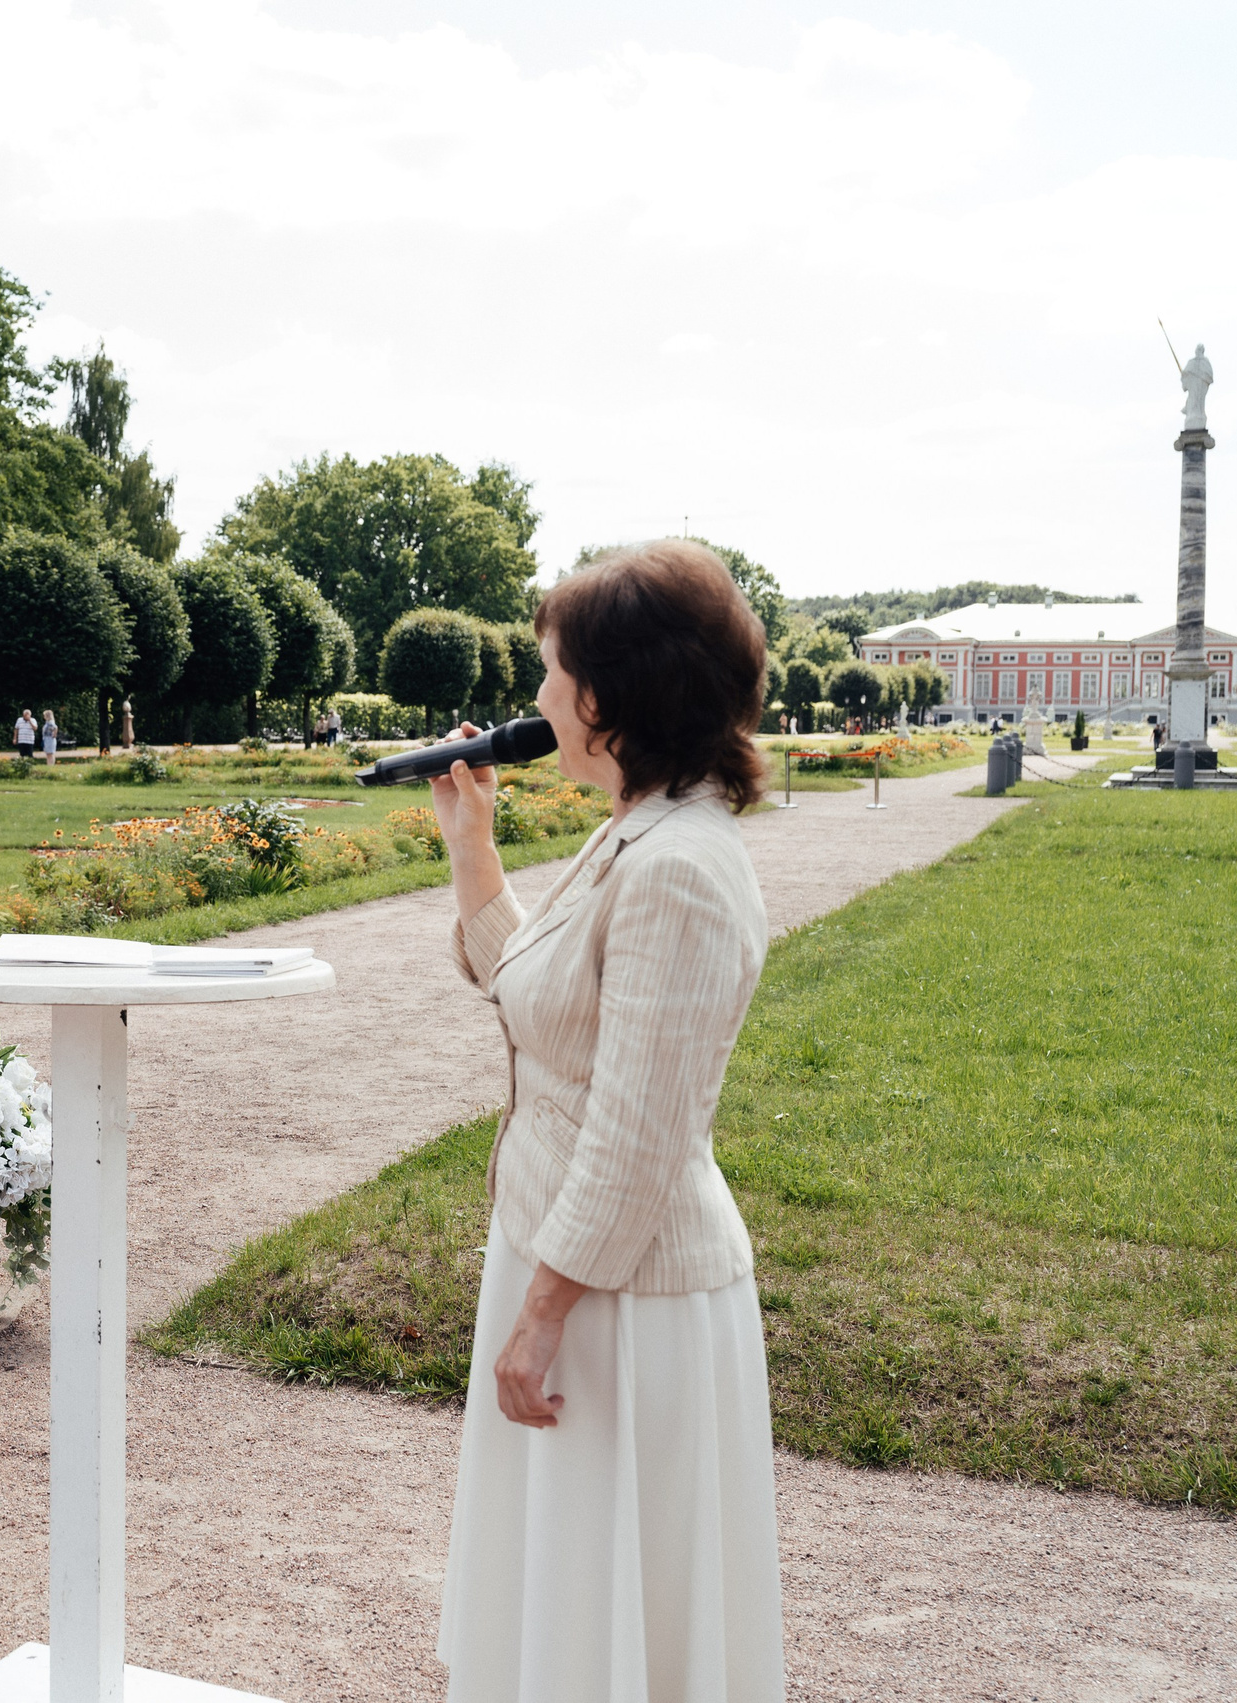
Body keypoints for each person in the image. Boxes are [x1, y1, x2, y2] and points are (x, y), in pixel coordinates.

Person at [428, 538, 784, 1702]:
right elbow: (535, 994)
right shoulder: (638, 827)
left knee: (617, 1615)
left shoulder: (678, 864)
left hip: (619, 1300)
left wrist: (537, 1319)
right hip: (576, 1271)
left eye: (548, 672)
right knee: (572, 1605)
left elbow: (635, 1138)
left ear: (606, 697)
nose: (532, 701)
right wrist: (470, 845)